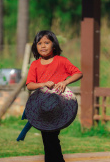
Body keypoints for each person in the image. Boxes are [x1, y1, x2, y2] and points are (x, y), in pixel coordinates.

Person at [26, 30, 83, 162]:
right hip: (43, 108)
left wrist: (65, 82)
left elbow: (78, 73)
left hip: (58, 106)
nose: (43, 46)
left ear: (54, 45)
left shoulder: (61, 61)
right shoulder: (35, 64)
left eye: (47, 42)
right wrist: (43, 84)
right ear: (35, 47)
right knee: (49, 140)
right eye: (39, 43)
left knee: (50, 139)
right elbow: (29, 85)